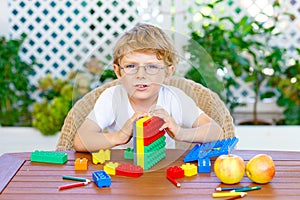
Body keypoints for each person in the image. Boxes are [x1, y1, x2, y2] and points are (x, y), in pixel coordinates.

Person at [74, 23, 223, 152]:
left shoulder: (174, 98)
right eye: (131, 66)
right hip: (121, 177)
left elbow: (216, 132)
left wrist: (181, 133)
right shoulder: (112, 98)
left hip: (161, 177)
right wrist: (119, 136)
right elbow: (80, 140)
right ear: (118, 71)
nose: (141, 75)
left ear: (167, 72)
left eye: (152, 66)